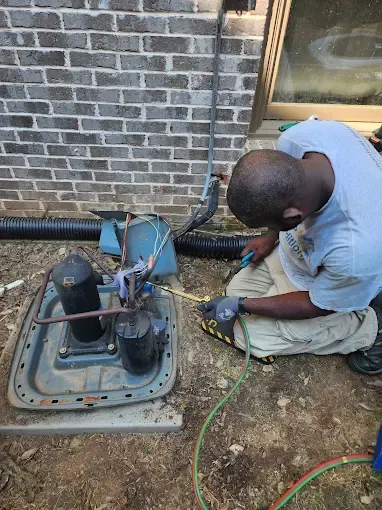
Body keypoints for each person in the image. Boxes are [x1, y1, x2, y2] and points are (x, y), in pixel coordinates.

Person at [198, 120, 382, 375]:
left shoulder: (357, 247)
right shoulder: (300, 139)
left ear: (294, 217)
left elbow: (318, 305)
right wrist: (270, 236)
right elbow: (285, 190)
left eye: (270, 223)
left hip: (329, 289)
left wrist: (243, 305)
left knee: (248, 336)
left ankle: (366, 325)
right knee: (235, 290)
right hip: (304, 258)